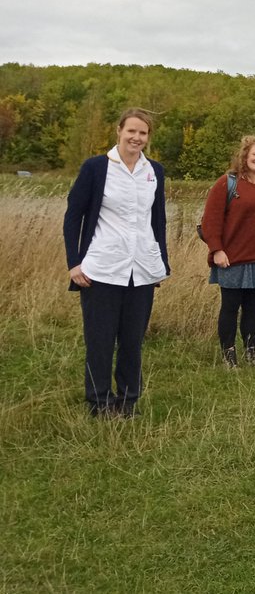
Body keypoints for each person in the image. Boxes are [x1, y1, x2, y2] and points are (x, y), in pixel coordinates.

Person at [63, 108, 170, 418]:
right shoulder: (96, 168)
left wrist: (158, 262)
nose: (137, 137)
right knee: (100, 340)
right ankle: (99, 402)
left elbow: (157, 220)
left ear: (148, 137)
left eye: (143, 133)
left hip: (141, 270)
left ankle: (128, 401)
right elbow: (73, 217)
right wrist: (75, 262)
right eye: (131, 131)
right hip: (102, 269)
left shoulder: (155, 171)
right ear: (119, 131)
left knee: (133, 341)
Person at [201, 135, 255, 371]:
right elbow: (210, 221)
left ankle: (253, 354)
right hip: (231, 259)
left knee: (253, 310)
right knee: (230, 308)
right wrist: (217, 250)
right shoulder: (227, 183)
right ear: (245, 156)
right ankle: (229, 357)